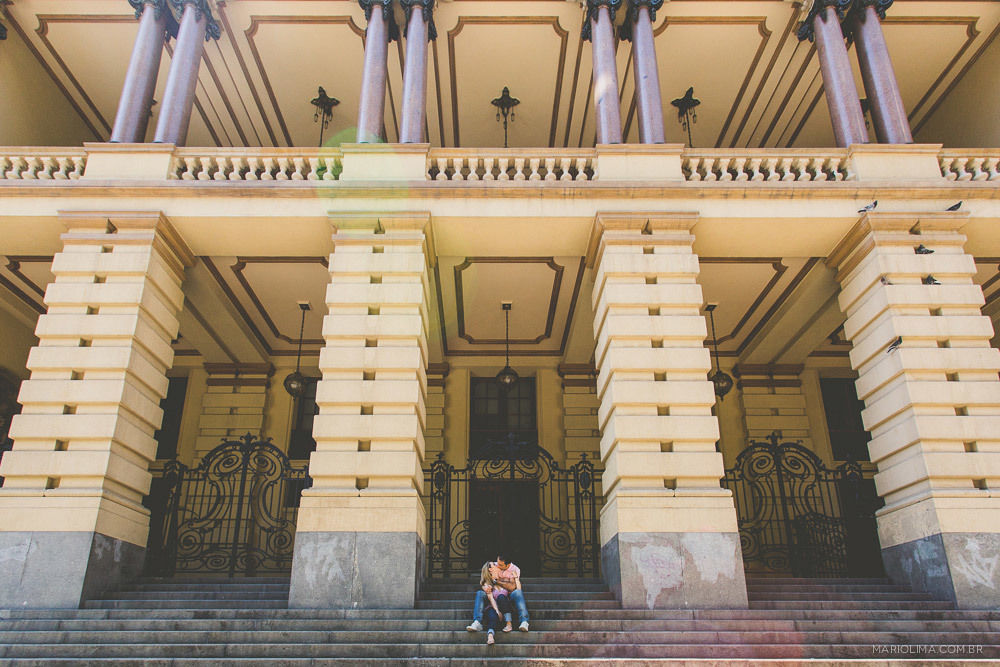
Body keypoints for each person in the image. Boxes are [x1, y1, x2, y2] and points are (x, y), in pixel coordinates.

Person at [466, 553, 529, 633]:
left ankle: (524, 621)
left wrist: (496, 581)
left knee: (517, 592)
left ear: (507, 565)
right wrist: (484, 586)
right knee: (480, 593)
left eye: (500, 565)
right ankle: (477, 622)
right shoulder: (495, 565)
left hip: (507, 597)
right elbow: (485, 576)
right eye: (496, 564)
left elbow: (513, 587)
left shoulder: (515, 570)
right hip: (494, 600)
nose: (497, 565)